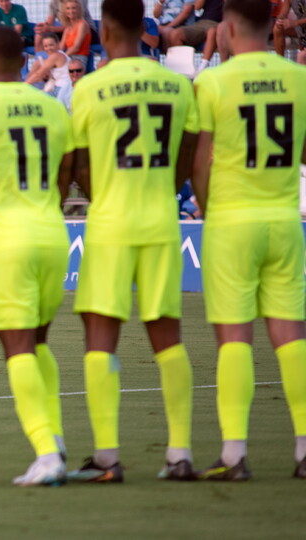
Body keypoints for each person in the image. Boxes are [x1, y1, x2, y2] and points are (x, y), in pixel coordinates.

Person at [69, 0, 200, 483]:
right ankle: (180, 454)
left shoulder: (89, 89)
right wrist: (165, 187)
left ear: (105, 28)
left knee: (101, 336)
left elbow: (78, 165)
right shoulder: (178, 85)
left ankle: (107, 458)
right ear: (142, 24)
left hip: (111, 221)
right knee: (167, 336)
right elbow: (189, 151)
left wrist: (102, 190)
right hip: (160, 218)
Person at [191, 0, 306, 481]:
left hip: (233, 220)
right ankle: (304, 449)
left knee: (234, 337)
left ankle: (235, 454)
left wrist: (208, 208)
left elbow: (200, 163)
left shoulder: (213, 82)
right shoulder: (299, 80)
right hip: (283, 219)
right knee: (291, 334)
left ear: (230, 28)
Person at [0, 26, 72, 487]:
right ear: (25, 60)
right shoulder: (52, 107)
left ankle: (46, 452)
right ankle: (57, 440)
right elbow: (69, 170)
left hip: (9, 236)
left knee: (17, 347)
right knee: (39, 343)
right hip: (52, 232)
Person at [170, 0, 225, 72]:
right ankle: (184, 69)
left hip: (219, 24)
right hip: (201, 23)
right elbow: (197, 7)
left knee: (212, 32)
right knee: (176, 34)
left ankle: (202, 68)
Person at [24, 32, 72, 108]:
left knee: (34, 100)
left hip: (62, 89)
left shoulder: (56, 56)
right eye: (45, 46)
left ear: (58, 44)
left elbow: (38, 74)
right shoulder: (57, 55)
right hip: (58, 87)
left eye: (51, 45)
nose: (48, 48)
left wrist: (22, 86)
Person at [60, 0, 92, 66]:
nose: (71, 11)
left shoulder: (82, 24)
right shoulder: (68, 28)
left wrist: (63, 57)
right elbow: (61, 47)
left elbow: (76, 47)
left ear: (78, 10)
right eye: (68, 8)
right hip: (69, 57)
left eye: (73, 8)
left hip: (79, 58)